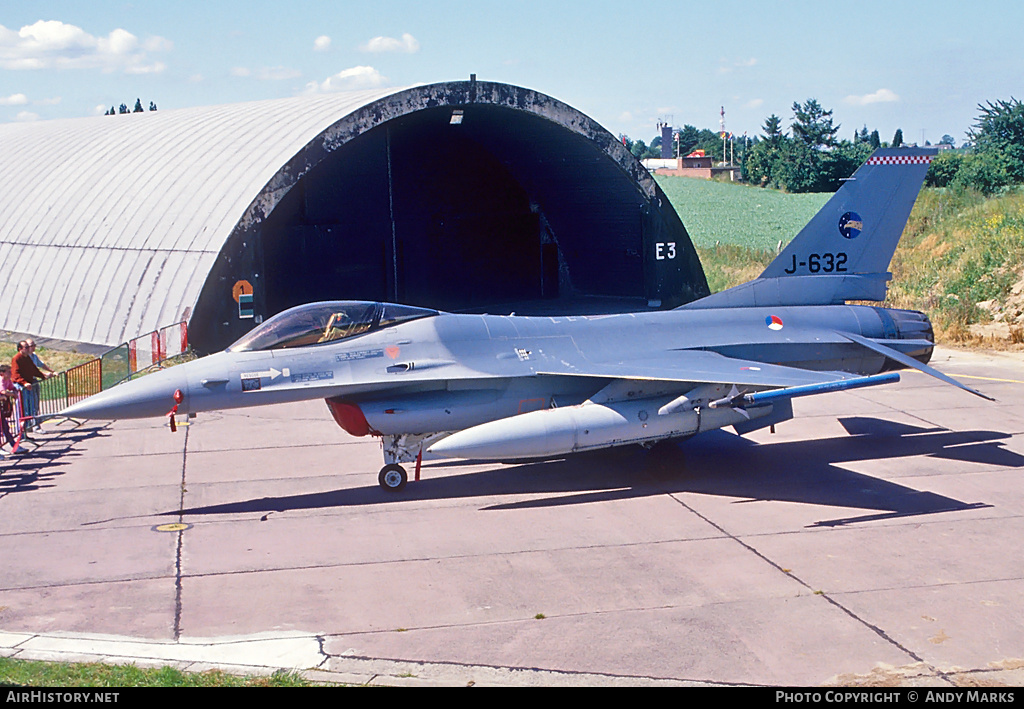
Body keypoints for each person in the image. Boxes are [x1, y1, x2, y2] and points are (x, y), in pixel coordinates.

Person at [11, 340, 46, 437]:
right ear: (20, 349)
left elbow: (33, 369)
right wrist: (24, 383)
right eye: (26, 347)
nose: (28, 348)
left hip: (28, 385)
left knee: (30, 409)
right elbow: (15, 374)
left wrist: (43, 376)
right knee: (22, 409)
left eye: (28, 346)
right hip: (21, 387)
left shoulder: (27, 358)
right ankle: (20, 434)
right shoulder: (17, 358)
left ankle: (26, 432)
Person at [0, 364, 20, 454]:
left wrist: (14, 392)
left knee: (5, 427)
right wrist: (12, 394)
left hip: (1, 410)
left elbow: (13, 388)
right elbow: (3, 391)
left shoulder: (8, 380)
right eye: (8, 372)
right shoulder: (1, 381)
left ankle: (14, 446)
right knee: (2, 427)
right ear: (2, 373)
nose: (10, 373)